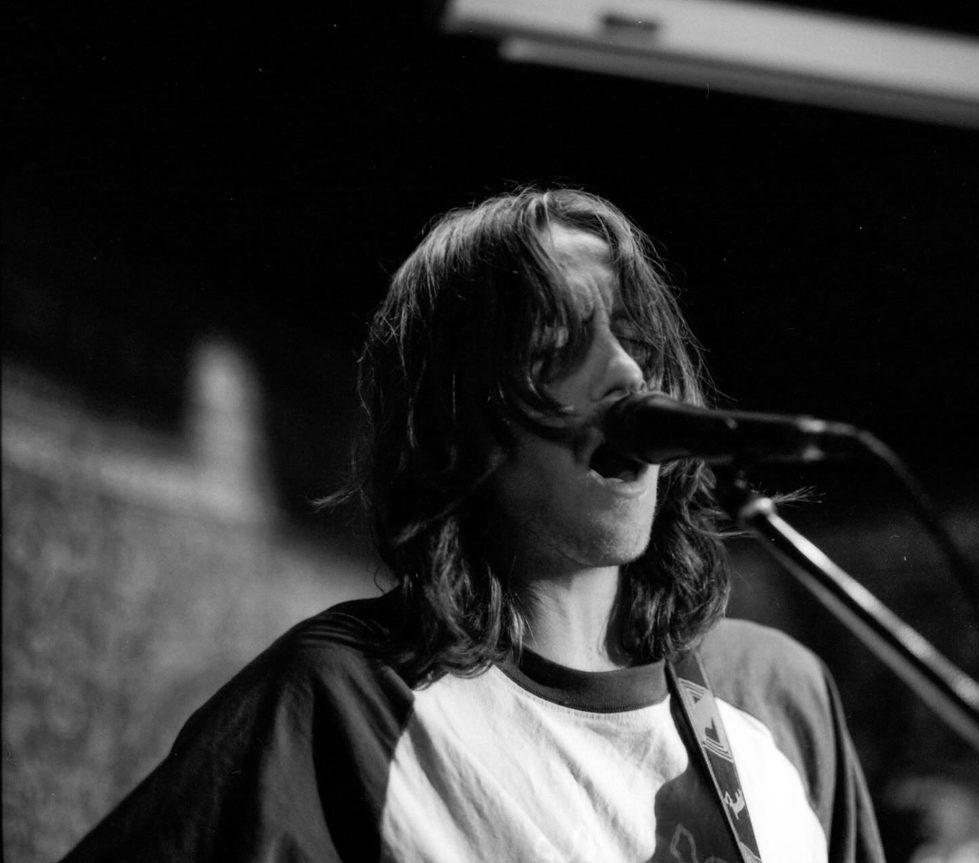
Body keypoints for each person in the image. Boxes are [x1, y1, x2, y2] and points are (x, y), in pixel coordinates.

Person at [62, 187, 886, 862]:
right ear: (455, 427)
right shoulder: (346, 703)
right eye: (556, 348)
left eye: (635, 341)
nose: (627, 372)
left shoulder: (777, 692)